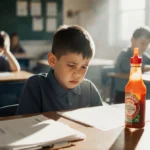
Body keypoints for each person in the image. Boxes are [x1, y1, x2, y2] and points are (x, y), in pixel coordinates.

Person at [16, 25, 103, 115]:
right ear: (52, 60)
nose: (78, 74)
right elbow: (25, 125)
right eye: (71, 65)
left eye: (84, 67)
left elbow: (101, 121)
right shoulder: (36, 86)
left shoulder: (89, 88)